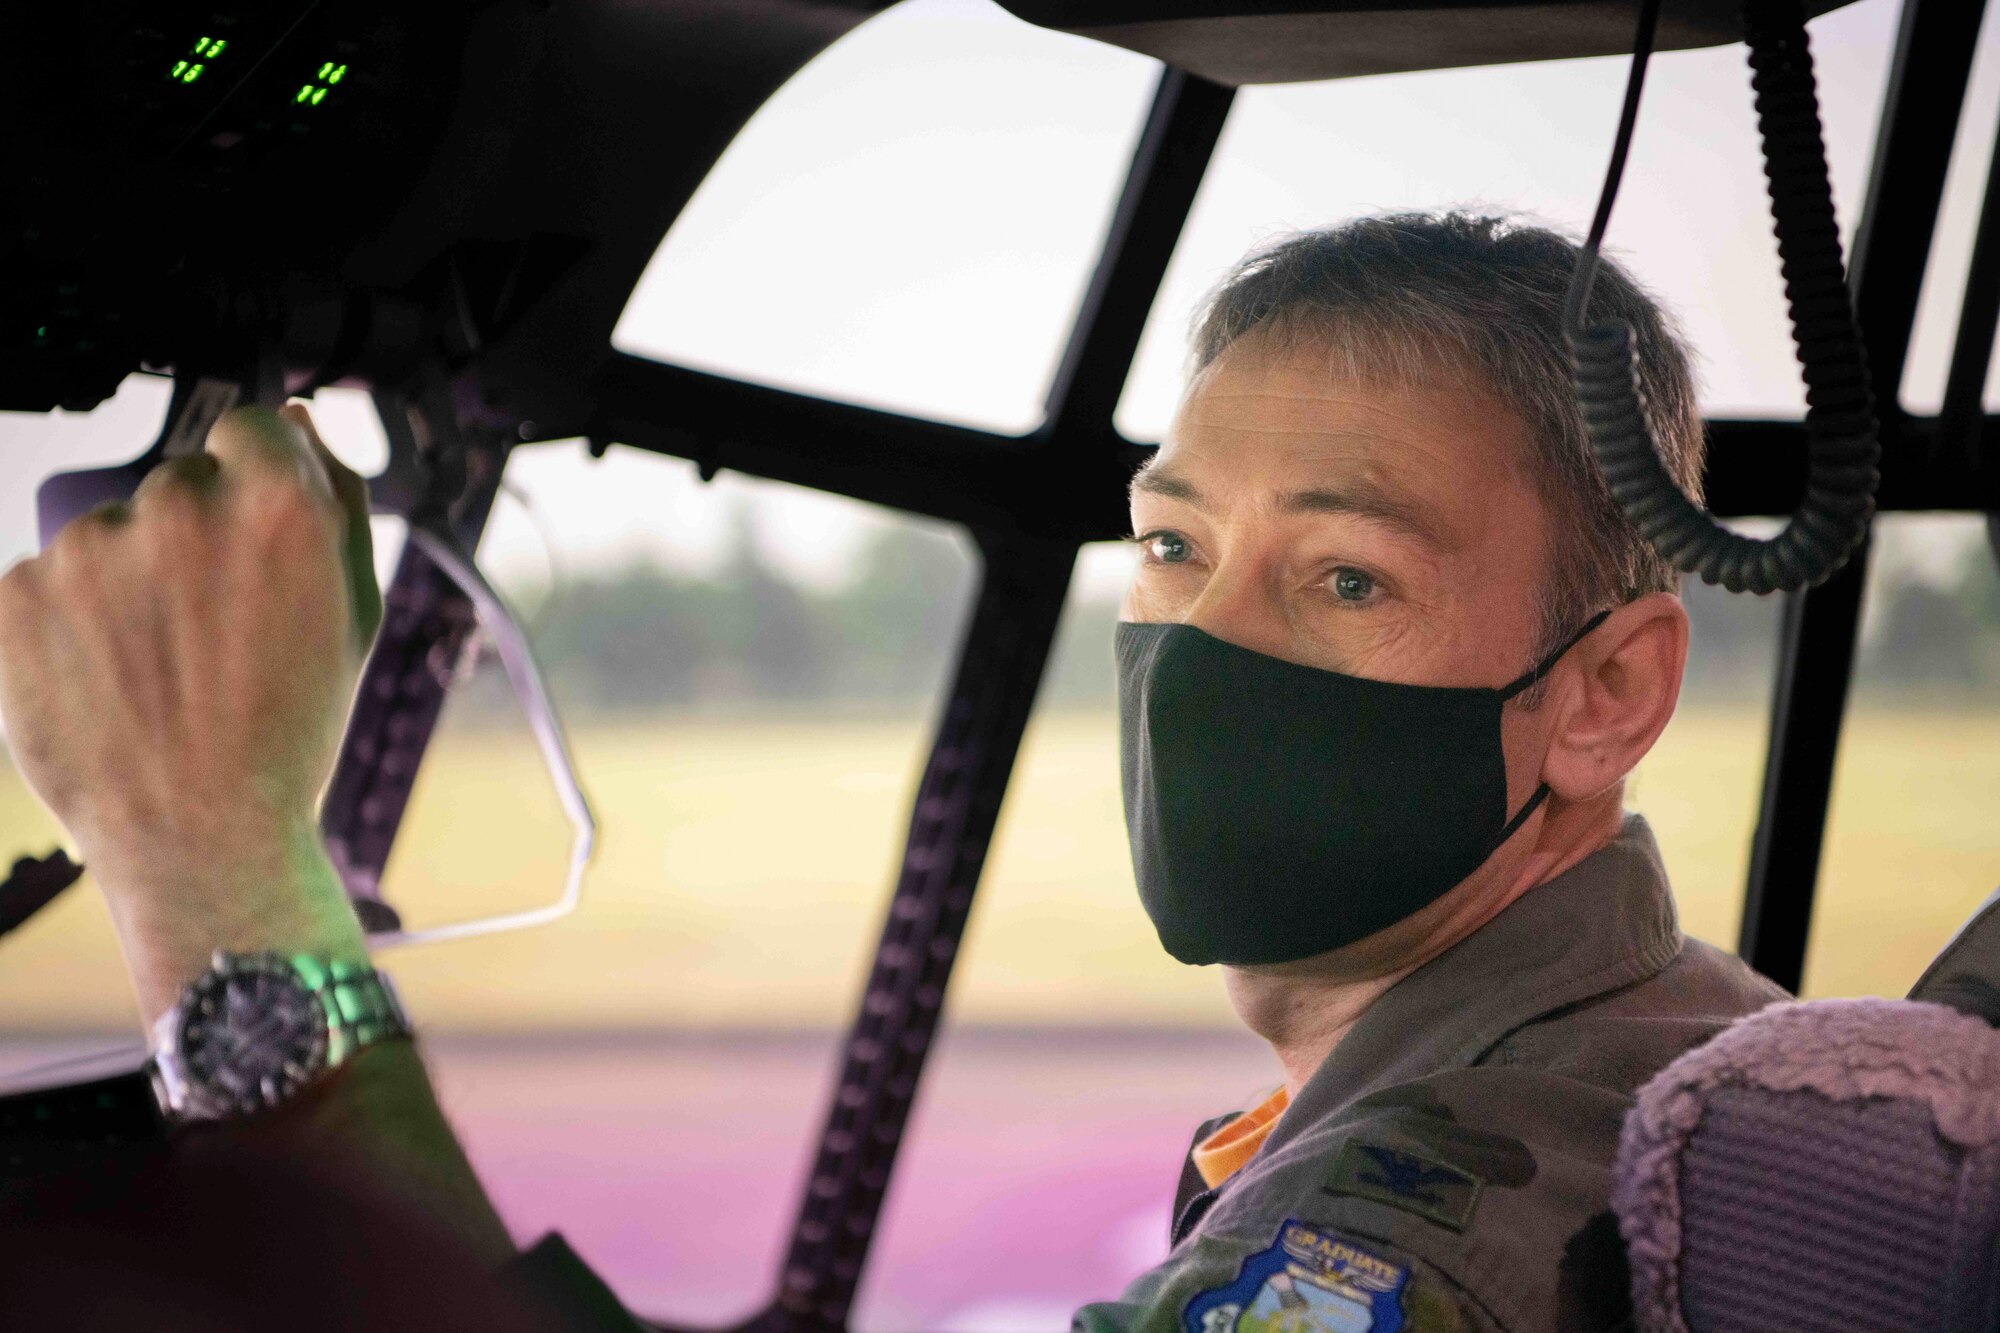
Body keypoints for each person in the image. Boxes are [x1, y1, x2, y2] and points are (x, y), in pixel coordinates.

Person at [0, 211, 1785, 1332]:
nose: (1210, 650)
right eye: (1173, 549)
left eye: (1344, 578)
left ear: (1605, 694)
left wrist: (215, 872)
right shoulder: (1633, 1045)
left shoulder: (1459, 1220)